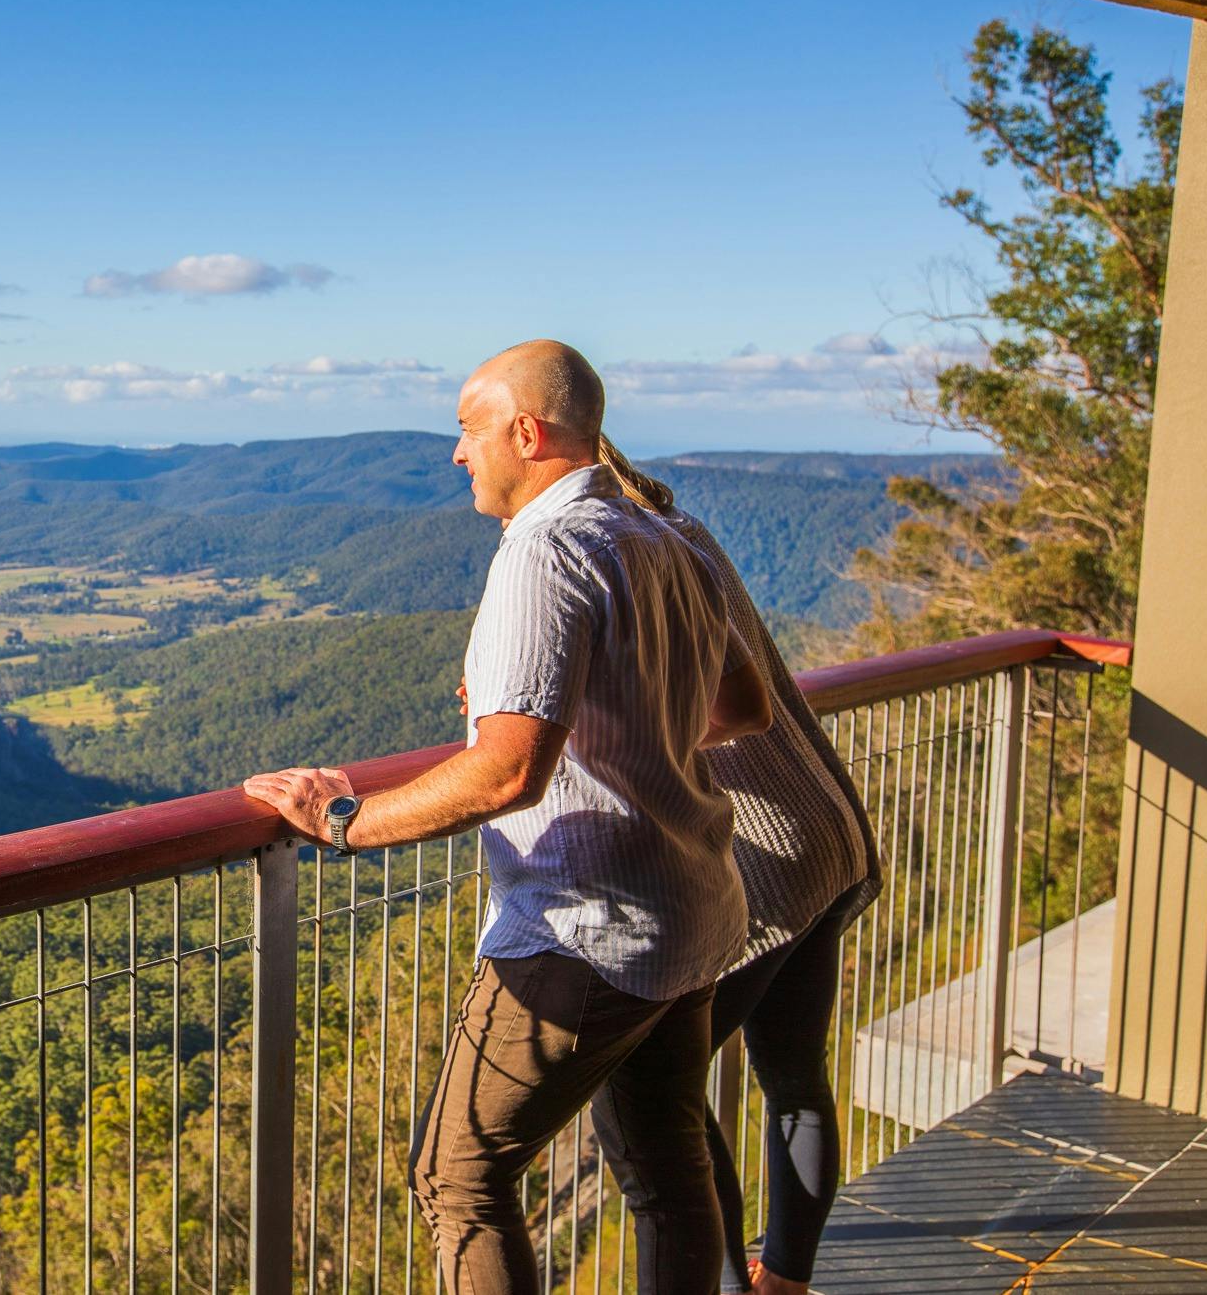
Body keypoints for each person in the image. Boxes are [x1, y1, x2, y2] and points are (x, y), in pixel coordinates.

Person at [243, 340, 773, 1295]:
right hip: (689, 908)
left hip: (585, 932)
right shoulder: (667, 537)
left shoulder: (547, 547)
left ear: (526, 432)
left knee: (459, 1180)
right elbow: (742, 707)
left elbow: (506, 774)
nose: (457, 455)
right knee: (669, 1172)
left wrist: (341, 818)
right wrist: (606, 714)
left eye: (466, 429)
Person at [590, 438, 883, 1295]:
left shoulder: (622, 551)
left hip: (765, 848)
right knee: (793, 1073)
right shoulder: (679, 528)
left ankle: (720, 1282)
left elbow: (673, 705)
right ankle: (784, 1280)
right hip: (824, 825)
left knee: (657, 1086)